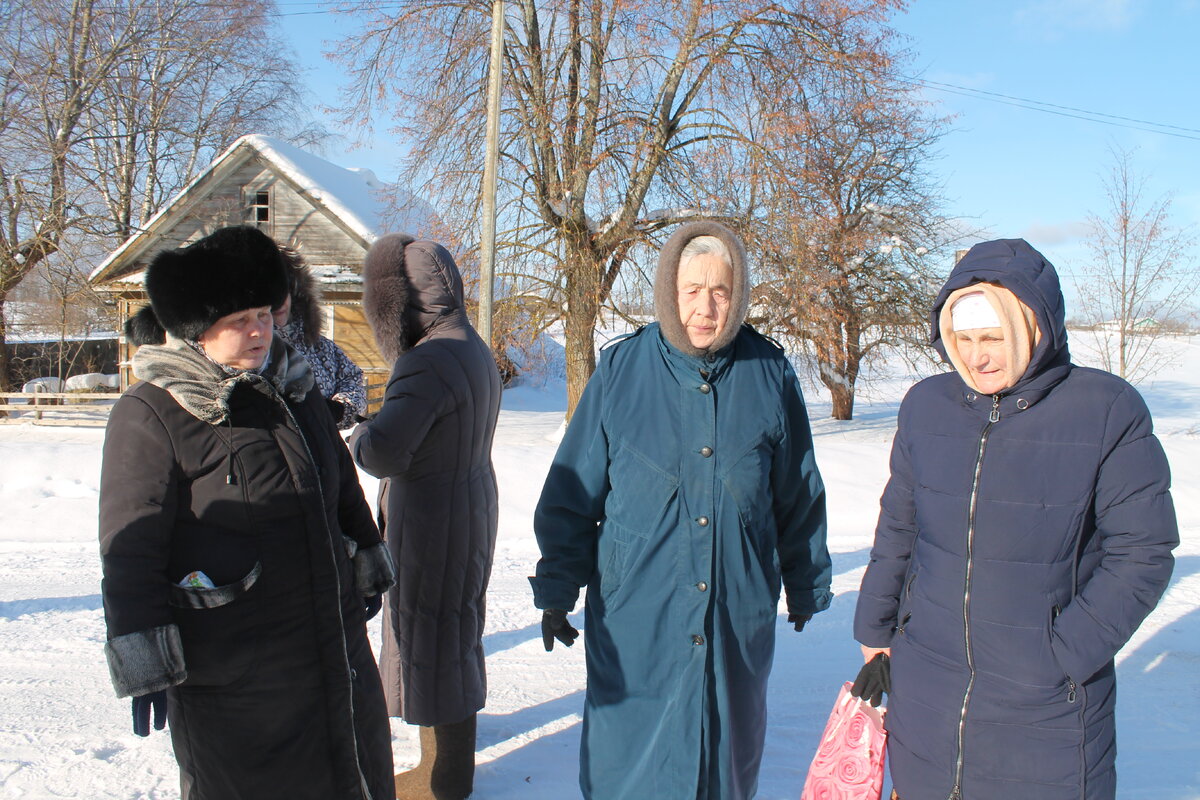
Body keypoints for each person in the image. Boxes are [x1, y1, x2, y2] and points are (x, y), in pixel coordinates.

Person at [852, 238, 1178, 800]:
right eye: (964, 339)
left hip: (1045, 711)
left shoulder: (1105, 410)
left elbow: (1142, 552)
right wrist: (876, 630)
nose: (978, 357)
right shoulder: (927, 406)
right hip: (926, 686)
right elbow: (899, 527)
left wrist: (1061, 653)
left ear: (1034, 326)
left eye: (994, 337)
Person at [530, 221, 832, 799]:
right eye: (691, 289)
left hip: (733, 617)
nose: (705, 306)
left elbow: (797, 492)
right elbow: (572, 497)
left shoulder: (769, 375)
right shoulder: (621, 373)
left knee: (723, 766)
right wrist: (556, 588)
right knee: (629, 772)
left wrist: (804, 580)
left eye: (720, 291)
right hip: (636, 619)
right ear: (669, 291)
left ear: (738, 296)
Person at [99, 226, 397, 800]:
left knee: (354, 773)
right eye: (239, 320)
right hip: (236, 670)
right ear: (197, 329)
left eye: (264, 312)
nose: (259, 330)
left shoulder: (293, 385)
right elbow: (131, 546)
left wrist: (366, 556)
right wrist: (143, 657)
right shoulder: (153, 413)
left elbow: (338, 483)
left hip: (332, 647)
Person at [349, 234, 502, 800]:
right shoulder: (470, 344)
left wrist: (360, 433)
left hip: (433, 522)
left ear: (395, 304)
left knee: (431, 637)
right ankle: (444, 768)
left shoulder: (426, 361)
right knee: (455, 632)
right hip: (467, 507)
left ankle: (445, 781)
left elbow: (386, 451)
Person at [273, 248, 368, 429]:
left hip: (324, 449)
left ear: (294, 291)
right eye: (269, 292)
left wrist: (339, 409)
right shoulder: (251, 352)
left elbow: (352, 379)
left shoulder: (319, 346)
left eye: (283, 289)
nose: (278, 300)